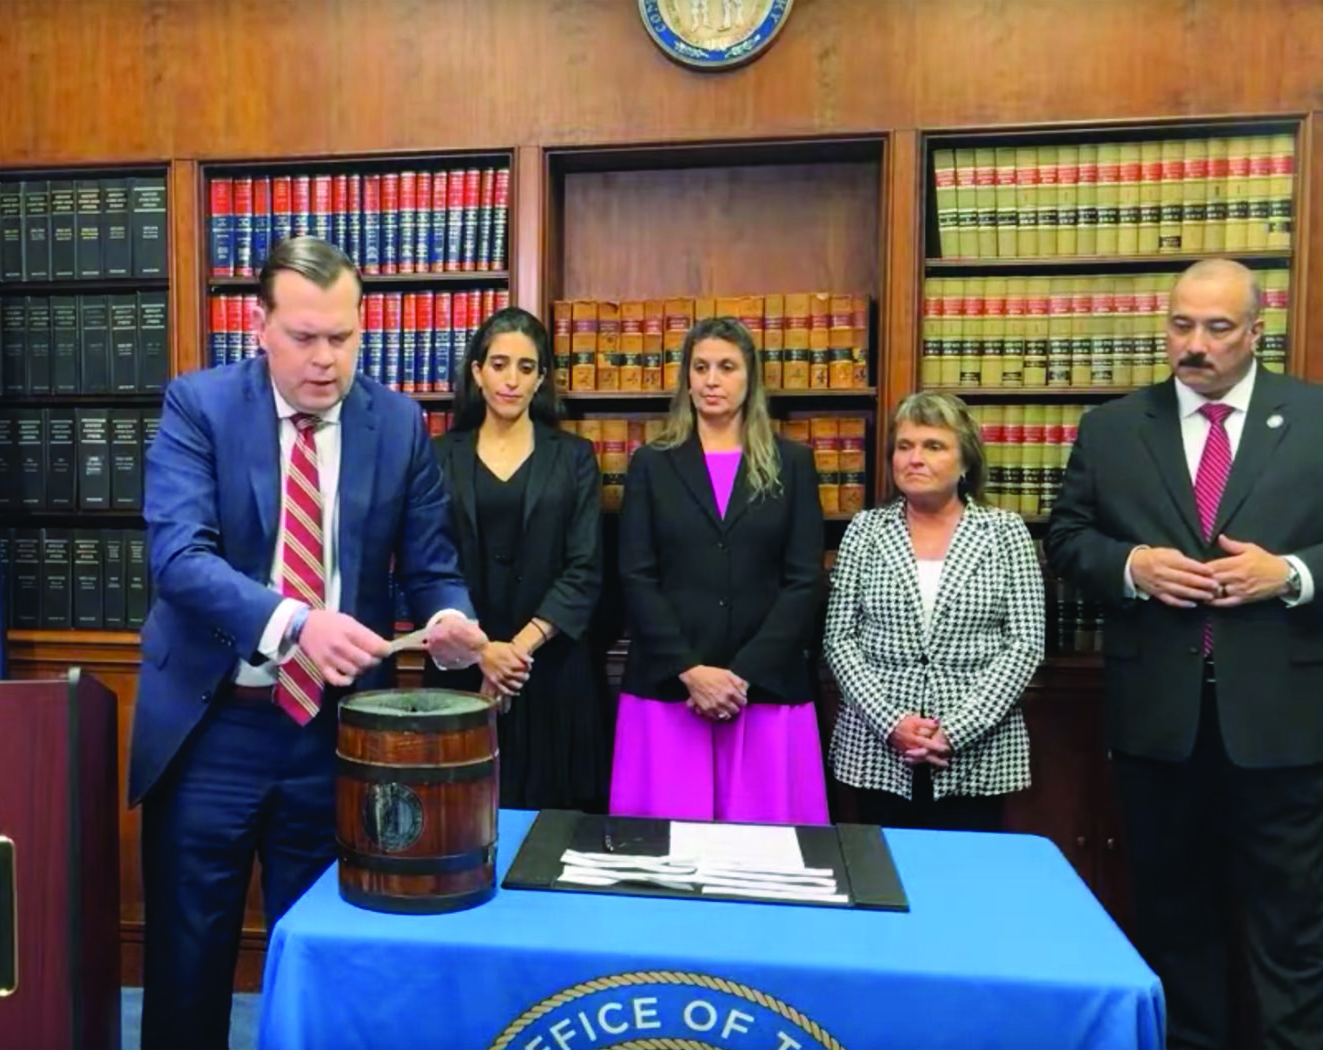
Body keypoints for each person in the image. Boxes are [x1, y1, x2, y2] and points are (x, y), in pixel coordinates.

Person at [129, 236, 488, 1050]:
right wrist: (296, 622)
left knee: (324, 957)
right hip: (211, 726)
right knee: (188, 967)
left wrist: (450, 623)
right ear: (259, 326)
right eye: (304, 337)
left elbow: (432, 569)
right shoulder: (200, 407)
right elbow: (179, 559)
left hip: (332, 733)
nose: (326, 359)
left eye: (343, 337)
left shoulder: (396, 424)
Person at [1046, 258, 1323, 1050]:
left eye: (1217, 328)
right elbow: (1069, 540)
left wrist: (1290, 573)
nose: (1196, 344)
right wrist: (1132, 567)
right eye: (1182, 325)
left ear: (1256, 332)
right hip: (1156, 723)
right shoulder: (1111, 428)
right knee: (1173, 918)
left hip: (1282, 719)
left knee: (1293, 927)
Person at [610, 316, 828, 825]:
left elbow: (802, 581)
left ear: (749, 378)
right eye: (701, 367)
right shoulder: (651, 464)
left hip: (765, 690)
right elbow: (636, 576)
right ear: (686, 378)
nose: (712, 380)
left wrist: (740, 676)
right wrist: (692, 672)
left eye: (726, 367)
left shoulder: (792, 464)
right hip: (670, 689)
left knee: (764, 862)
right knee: (664, 866)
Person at [823, 391, 1044, 832]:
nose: (914, 459)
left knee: (964, 888)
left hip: (977, 754)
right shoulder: (865, 530)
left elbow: (1025, 644)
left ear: (965, 462)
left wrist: (955, 730)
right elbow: (839, 639)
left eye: (933, 446)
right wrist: (891, 723)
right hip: (877, 750)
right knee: (885, 883)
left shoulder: (1004, 533)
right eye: (904, 446)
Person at [426, 306, 612, 812]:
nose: (511, 379)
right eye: (500, 364)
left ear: (541, 378)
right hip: (461, 670)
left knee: (553, 840)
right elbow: (427, 560)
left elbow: (585, 568)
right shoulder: (437, 455)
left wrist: (515, 653)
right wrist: (483, 650)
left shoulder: (574, 456)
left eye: (526, 368)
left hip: (552, 673)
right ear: (477, 371)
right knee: (458, 826)